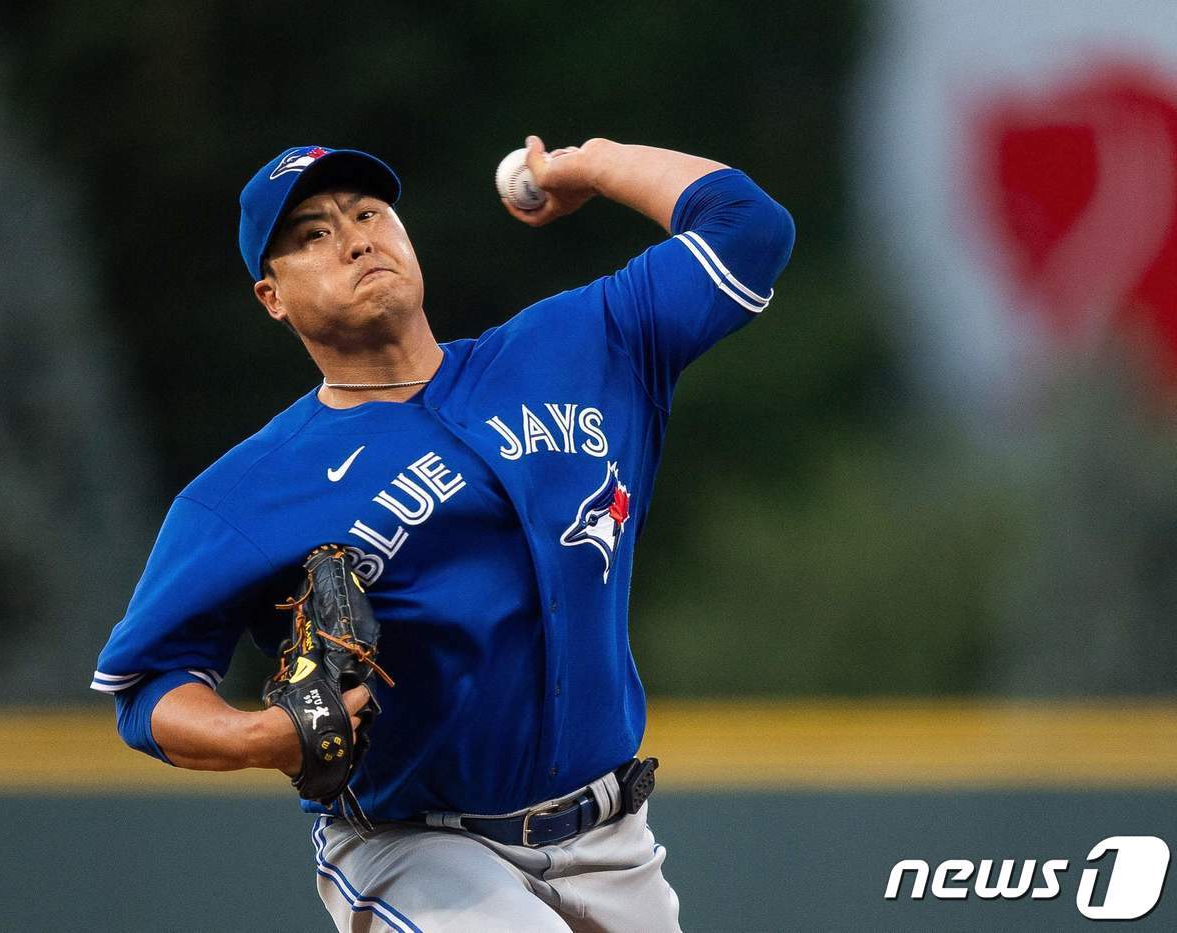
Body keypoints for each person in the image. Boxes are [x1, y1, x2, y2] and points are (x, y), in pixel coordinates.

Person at [92, 135, 794, 931]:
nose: (356, 237)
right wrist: (260, 735)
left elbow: (748, 225)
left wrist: (589, 164)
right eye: (313, 235)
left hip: (615, 842)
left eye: (369, 212)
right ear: (272, 296)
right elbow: (147, 686)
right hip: (418, 851)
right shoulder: (246, 492)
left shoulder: (577, 346)